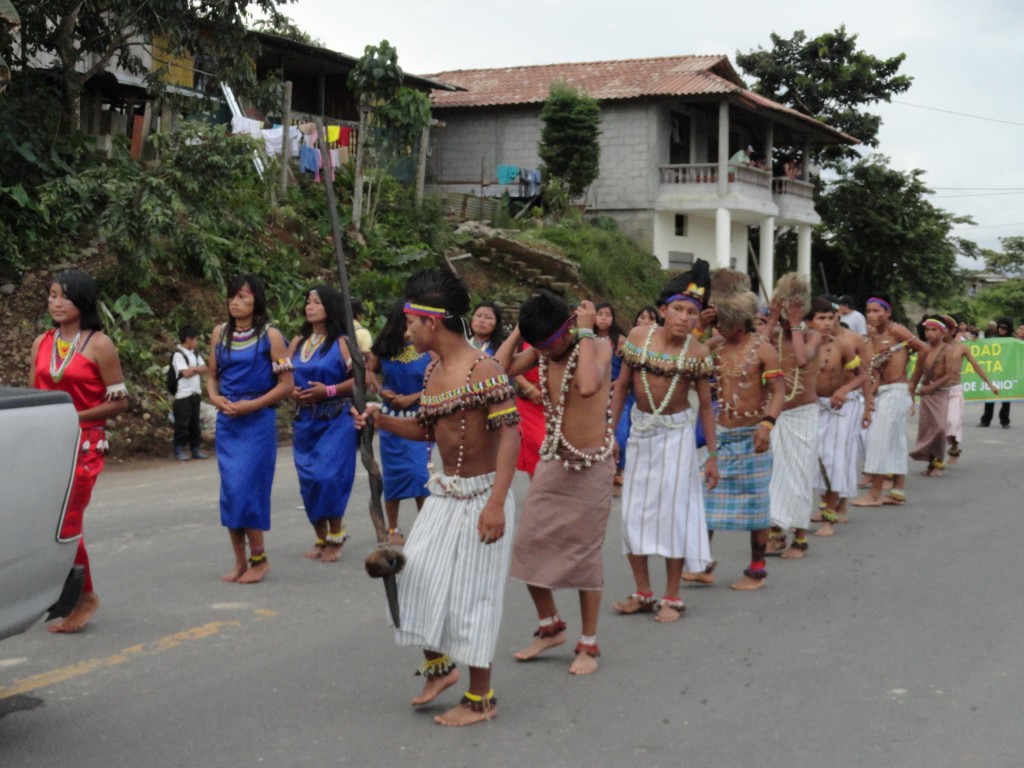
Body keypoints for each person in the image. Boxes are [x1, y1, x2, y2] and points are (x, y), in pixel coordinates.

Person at [354, 268, 520, 727]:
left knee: (473, 596)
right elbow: (427, 429)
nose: (404, 330)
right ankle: (439, 669)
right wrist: (380, 420)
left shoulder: (484, 369)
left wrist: (495, 504)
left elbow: (511, 436)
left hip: (484, 495)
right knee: (411, 577)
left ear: (432, 322)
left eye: (409, 321)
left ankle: (481, 698)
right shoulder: (431, 370)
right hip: (445, 494)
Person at [496, 293, 615, 674]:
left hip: (592, 466)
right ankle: (550, 627)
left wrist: (582, 332)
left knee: (584, 554)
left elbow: (587, 387)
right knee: (528, 545)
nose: (551, 349)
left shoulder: (597, 344)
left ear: (567, 328)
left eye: (555, 341)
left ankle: (589, 643)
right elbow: (499, 371)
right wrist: (520, 331)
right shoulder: (545, 352)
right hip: (554, 461)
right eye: (542, 345)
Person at [610, 263, 716, 622]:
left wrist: (713, 456)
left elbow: (705, 406)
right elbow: (621, 387)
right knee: (633, 513)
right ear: (664, 310)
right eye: (678, 309)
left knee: (675, 514)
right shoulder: (639, 337)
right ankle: (643, 591)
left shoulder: (698, 353)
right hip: (640, 433)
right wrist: (611, 433)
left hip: (677, 435)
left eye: (692, 313)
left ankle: (672, 596)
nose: (684, 318)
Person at [30, 268, 128, 633]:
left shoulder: (99, 344)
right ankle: (62, 593)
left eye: (64, 296)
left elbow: (119, 402)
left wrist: (74, 415)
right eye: (52, 294)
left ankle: (85, 597)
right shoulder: (41, 343)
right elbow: (34, 397)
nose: (56, 302)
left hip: (84, 443)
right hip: (47, 443)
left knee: (67, 522)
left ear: (82, 301)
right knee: (48, 523)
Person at [682, 269, 784, 591]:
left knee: (757, 505)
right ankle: (702, 564)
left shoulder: (764, 349)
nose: (720, 328)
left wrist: (767, 425)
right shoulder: (713, 346)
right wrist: (699, 327)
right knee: (706, 499)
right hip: (723, 439)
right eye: (717, 322)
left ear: (740, 319)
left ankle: (756, 569)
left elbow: (779, 392)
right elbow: (683, 357)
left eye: (724, 321)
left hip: (754, 437)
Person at [207, 275, 293, 584]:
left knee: (248, 490)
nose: (235, 302)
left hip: (257, 422)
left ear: (257, 300)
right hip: (228, 421)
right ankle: (240, 561)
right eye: (232, 296)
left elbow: (287, 385)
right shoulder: (220, 333)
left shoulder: (271, 336)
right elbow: (212, 376)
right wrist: (216, 398)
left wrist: (253, 405)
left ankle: (260, 558)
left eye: (243, 297)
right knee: (231, 491)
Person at [287, 285, 358, 562]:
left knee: (328, 476)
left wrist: (327, 391)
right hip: (305, 420)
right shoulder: (297, 342)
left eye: (317, 302)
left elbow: (359, 381)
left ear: (330, 307)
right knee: (309, 479)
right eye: (307, 302)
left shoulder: (342, 342)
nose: (310, 306)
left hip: (336, 417)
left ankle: (336, 536)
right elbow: (282, 378)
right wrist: (291, 391)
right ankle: (319, 536)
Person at [762, 274, 822, 560]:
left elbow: (801, 359)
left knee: (798, 475)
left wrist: (795, 324)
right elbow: (754, 353)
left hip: (803, 415)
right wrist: (772, 318)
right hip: (777, 416)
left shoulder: (812, 335)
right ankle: (775, 534)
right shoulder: (772, 337)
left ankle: (799, 538)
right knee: (774, 476)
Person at [851, 295, 926, 507]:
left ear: (888, 312)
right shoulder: (874, 337)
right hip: (885, 392)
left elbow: (924, 349)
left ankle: (874, 494)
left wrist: (912, 381)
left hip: (896, 391)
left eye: (877, 311)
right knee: (895, 442)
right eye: (869, 311)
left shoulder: (896, 330)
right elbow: (877, 372)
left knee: (880, 441)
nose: (872, 315)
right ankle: (897, 492)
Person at [371, 300, 433, 545]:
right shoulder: (386, 345)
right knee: (394, 475)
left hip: (421, 418)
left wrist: (414, 397)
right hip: (391, 417)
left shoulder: (429, 346)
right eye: (406, 322)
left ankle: (426, 527)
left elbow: (441, 376)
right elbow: (369, 371)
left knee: (419, 473)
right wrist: (382, 390)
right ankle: (393, 529)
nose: (410, 327)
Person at [808, 297, 870, 537]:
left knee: (833, 461)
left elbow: (861, 376)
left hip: (838, 409)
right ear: (808, 321)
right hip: (810, 409)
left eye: (830, 318)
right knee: (815, 461)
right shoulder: (801, 347)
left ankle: (829, 518)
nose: (826, 323)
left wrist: (843, 390)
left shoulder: (842, 345)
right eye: (820, 318)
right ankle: (825, 504)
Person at [940, 315, 999, 462]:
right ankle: (935, 456)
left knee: (953, 422)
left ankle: (954, 448)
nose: (941, 331)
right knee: (939, 425)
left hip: (954, 390)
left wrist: (989, 384)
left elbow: (976, 366)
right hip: (938, 390)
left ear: (952, 330)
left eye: (945, 327)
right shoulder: (935, 346)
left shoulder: (961, 347)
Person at [908, 316, 955, 477]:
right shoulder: (923, 349)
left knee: (940, 427)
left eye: (934, 330)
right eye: (927, 330)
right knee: (928, 427)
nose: (930, 333)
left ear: (943, 333)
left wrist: (932, 387)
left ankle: (938, 461)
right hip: (926, 395)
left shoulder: (947, 349)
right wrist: (911, 393)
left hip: (940, 393)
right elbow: (917, 372)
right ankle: (931, 462)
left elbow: (950, 374)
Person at [595, 302, 627, 493]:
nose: (604, 318)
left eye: (608, 314)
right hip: (591, 392)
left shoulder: (620, 341)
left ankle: (617, 472)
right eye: (600, 314)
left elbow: (625, 372)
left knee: (619, 436)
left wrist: (610, 387)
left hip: (615, 391)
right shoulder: (585, 338)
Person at [171, 325, 209, 461]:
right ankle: (179, 449)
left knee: (194, 423)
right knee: (182, 424)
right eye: (196, 339)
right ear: (188, 339)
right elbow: (185, 373)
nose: (197, 342)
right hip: (183, 394)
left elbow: (205, 368)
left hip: (195, 393)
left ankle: (195, 448)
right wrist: (195, 369)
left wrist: (193, 369)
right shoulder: (178, 354)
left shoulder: (195, 353)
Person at [979, 318, 1013, 428]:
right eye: (999, 327)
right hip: (994, 371)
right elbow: (982, 348)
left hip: (1007, 372)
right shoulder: (991, 339)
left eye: (1004, 328)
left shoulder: (1013, 341)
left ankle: (1004, 420)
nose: (1001, 330)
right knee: (989, 396)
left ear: (1009, 329)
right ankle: (985, 420)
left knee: (1006, 398)